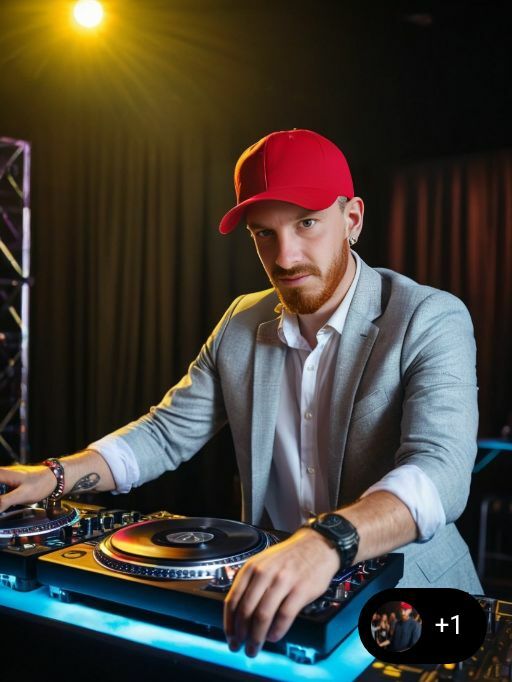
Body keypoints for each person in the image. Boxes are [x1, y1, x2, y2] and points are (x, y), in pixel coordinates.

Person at [0, 129, 482, 659]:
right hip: (280, 607)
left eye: (306, 223)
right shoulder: (240, 322)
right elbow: (166, 432)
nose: (286, 256)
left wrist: (326, 540)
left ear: (352, 219)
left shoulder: (429, 317)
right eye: (264, 234)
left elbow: (440, 471)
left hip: (416, 610)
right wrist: (54, 475)